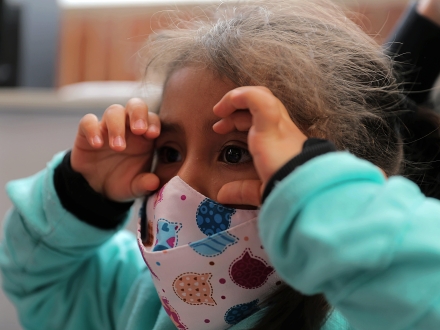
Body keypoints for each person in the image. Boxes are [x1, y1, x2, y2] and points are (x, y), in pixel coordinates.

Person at [1, 0, 440, 329]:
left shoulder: (370, 312)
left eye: (235, 152)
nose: (181, 186)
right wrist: (81, 195)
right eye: (170, 153)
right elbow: (39, 284)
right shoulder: (138, 295)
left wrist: (312, 194)